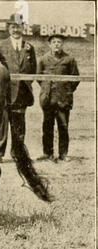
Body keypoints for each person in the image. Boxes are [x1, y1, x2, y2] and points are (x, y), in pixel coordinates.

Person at [0, 13, 37, 162]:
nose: (15, 30)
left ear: (23, 28)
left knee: (19, 124)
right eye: (13, 27)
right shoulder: (0, 46)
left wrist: (24, 85)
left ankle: (18, 153)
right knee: (2, 124)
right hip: (5, 92)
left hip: (22, 93)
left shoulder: (29, 47)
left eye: (18, 26)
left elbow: (33, 69)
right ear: (8, 28)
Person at [37, 34, 80, 162]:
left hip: (63, 99)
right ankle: (47, 153)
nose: (56, 44)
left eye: (59, 42)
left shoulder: (69, 59)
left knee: (63, 126)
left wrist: (66, 90)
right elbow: (39, 77)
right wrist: (46, 89)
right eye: (54, 42)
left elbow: (75, 78)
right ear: (49, 44)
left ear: (62, 44)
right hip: (48, 99)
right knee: (47, 126)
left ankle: (63, 154)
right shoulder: (43, 59)